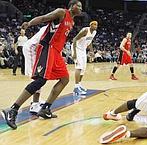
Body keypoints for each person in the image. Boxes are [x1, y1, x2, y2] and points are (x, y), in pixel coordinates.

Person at [1, 0, 82, 130]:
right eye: (78, 5)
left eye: (81, 6)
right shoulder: (61, 13)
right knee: (40, 80)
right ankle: (12, 109)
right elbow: (44, 18)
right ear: (71, 6)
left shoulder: (72, 22)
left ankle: (45, 109)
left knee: (65, 79)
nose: (80, 8)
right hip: (48, 48)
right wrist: (29, 23)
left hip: (56, 51)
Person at [23, 25, 48, 114]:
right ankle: (35, 104)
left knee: (39, 76)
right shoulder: (48, 28)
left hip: (34, 49)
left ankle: (37, 99)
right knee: (38, 77)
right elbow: (39, 44)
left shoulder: (48, 27)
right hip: (31, 49)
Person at [72, 21, 98, 96]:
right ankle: (76, 87)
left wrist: (92, 51)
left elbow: (90, 42)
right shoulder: (85, 30)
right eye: (94, 24)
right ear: (90, 25)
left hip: (83, 50)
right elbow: (74, 39)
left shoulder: (94, 32)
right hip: (76, 48)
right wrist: (74, 53)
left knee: (83, 68)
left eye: (97, 25)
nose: (96, 26)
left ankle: (79, 85)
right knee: (79, 67)